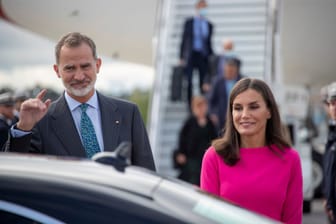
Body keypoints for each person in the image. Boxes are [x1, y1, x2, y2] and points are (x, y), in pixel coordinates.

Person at [3, 32, 155, 171]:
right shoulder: (40, 121)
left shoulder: (128, 113)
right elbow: (13, 171)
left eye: (85, 66)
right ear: (57, 71)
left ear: (98, 65)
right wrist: (23, 128)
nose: (79, 76)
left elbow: (146, 173)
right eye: (70, 68)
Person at [201, 78, 303, 223]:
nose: (244, 115)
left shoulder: (290, 158)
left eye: (253, 107)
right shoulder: (214, 157)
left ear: (269, 111)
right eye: (237, 108)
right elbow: (206, 218)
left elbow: (293, 220)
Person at [174, 96, 217, 185]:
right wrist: (181, 153)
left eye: (203, 106)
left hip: (206, 157)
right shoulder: (189, 123)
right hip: (192, 159)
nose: (201, 109)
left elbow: (215, 139)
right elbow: (182, 139)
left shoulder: (210, 122)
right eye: (199, 106)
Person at [179, 0, 214, 107]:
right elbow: (184, 40)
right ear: (197, 8)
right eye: (202, 7)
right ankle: (190, 105)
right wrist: (181, 57)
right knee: (189, 81)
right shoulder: (189, 22)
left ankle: (203, 105)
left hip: (203, 56)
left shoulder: (208, 25)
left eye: (205, 7)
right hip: (190, 55)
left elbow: (209, 43)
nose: (203, 10)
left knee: (203, 82)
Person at [208, 57, 243, 131]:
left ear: (236, 70)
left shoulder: (242, 81)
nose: (229, 72)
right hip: (221, 115)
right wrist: (213, 113)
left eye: (232, 70)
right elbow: (211, 100)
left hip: (239, 113)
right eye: (228, 70)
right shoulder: (217, 82)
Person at [323, 82, 336, 223]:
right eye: (331, 103)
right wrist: (328, 197)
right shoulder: (332, 133)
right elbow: (329, 169)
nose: (334, 107)